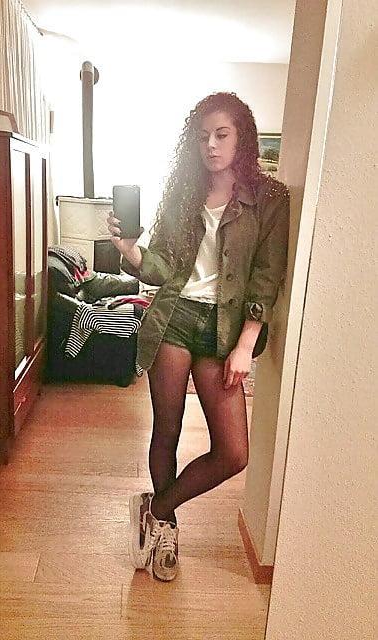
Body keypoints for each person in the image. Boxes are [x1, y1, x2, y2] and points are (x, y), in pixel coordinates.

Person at [107, 92, 289, 582]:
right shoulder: (183, 193)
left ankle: (157, 508)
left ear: (242, 138)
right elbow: (162, 267)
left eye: (221, 135)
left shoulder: (270, 199)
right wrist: (131, 251)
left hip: (225, 330)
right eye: (203, 136)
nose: (211, 144)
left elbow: (267, 277)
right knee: (166, 429)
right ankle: (167, 531)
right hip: (174, 318)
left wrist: (247, 344)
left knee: (233, 452)